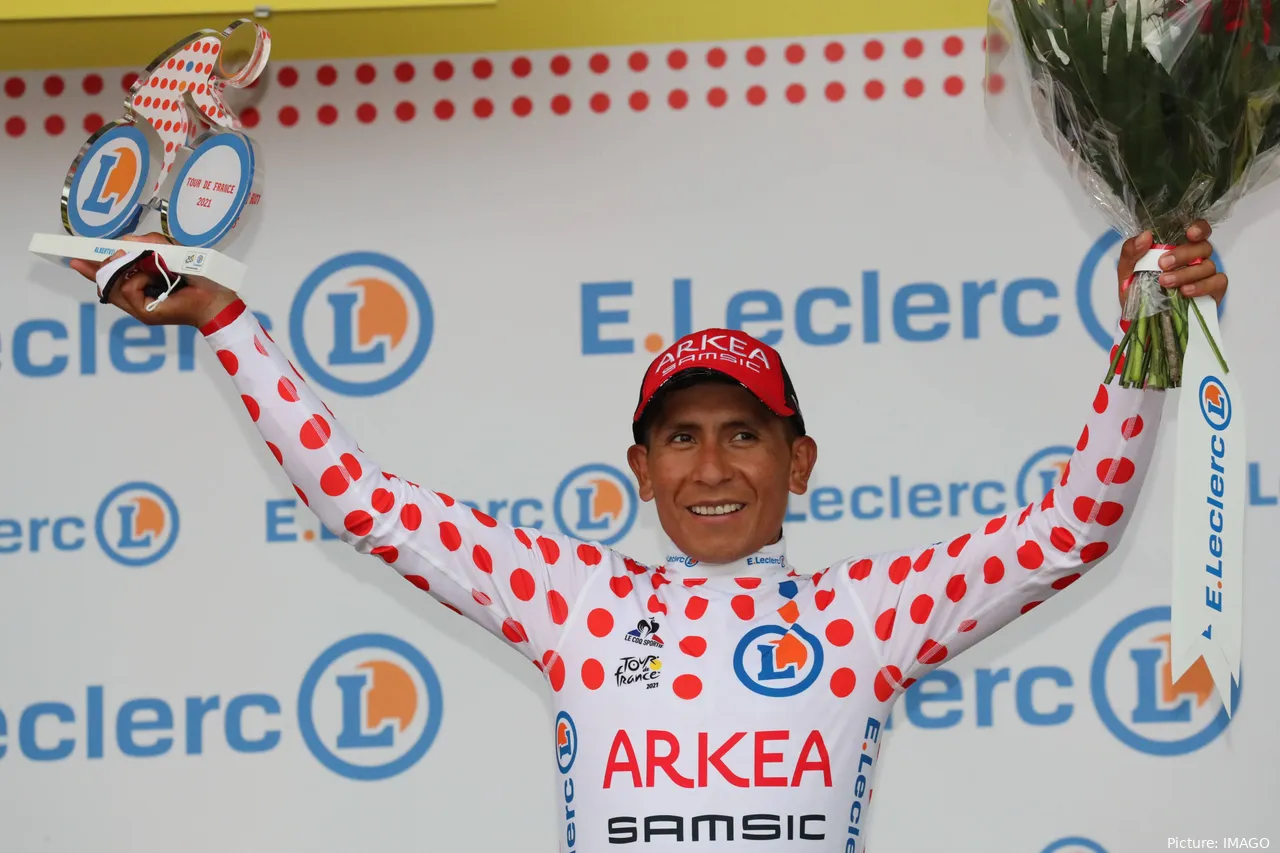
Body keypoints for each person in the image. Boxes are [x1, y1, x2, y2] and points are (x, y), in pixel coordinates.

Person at [69, 223, 1227, 851]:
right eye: (678, 440)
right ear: (638, 470)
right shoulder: (573, 595)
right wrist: (224, 321)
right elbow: (356, 499)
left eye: (742, 435)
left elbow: (1073, 524)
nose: (711, 467)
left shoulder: (863, 612)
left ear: (797, 461)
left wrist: (1146, 326)